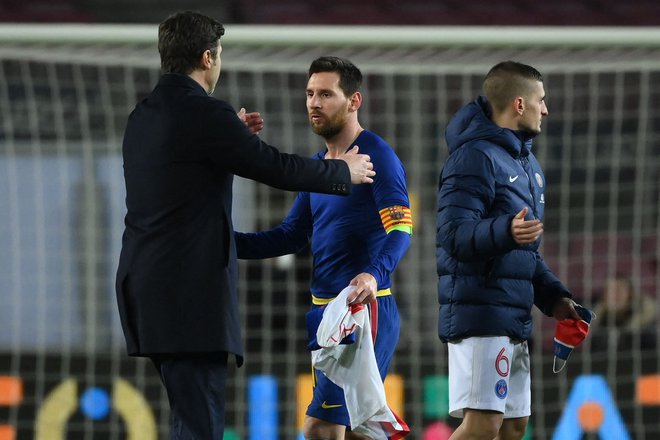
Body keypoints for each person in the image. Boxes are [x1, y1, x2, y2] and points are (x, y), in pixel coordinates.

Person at [115, 12, 376, 440]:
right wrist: (340, 171)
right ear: (206, 57)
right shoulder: (203, 113)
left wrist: (230, 136)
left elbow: (178, 173)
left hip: (145, 286)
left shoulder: (141, 115)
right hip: (189, 295)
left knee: (188, 414)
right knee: (200, 423)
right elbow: (275, 167)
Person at [235, 56, 413, 439]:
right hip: (326, 314)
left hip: (363, 310)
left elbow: (401, 228)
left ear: (354, 101)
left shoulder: (376, 155)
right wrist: (224, 243)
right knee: (360, 429)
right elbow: (291, 235)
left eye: (326, 94)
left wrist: (372, 273)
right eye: (310, 93)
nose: (314, 102)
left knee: (321, 427)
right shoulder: (321, 168)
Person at [435, 61, 584, 440]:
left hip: (512, 314)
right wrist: (505, 229)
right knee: (483, 424)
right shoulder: (473, 157)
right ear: (519, 104)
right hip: (480, 311)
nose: (545, 109)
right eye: (541, 100)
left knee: (515, 427)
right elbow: (452, 235)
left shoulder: (528, 164)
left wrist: (554, 297)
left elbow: (525, 252)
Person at [590, 275, 657, 353]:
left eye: (620, 290)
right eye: (611, 290)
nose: (615, 295)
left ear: (630, 294)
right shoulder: (595, 325)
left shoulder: (647, 327)